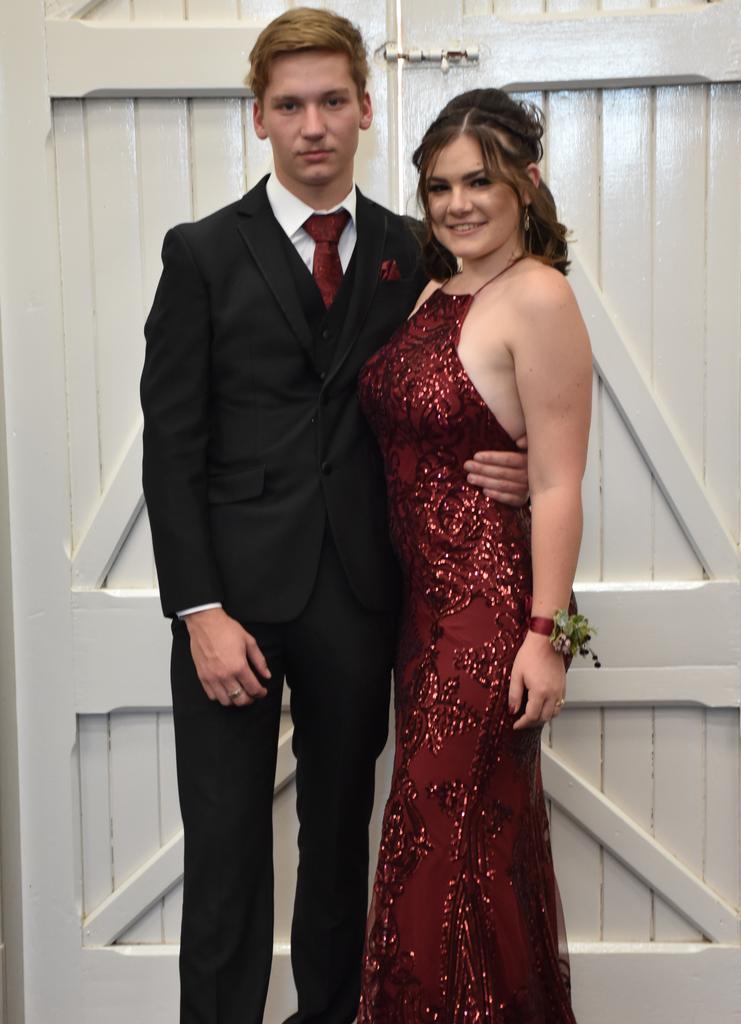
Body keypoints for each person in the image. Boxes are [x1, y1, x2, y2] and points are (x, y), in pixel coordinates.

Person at [140, 11, 530, 1024]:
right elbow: (170, 448)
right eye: (289, 105)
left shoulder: (416, 250)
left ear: (364, 106)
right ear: (260, 117)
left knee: (338, 838)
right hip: (232, 607)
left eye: (331, 101)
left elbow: (479, 372)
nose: (312, 124)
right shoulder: (201, 255)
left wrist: (515, 465)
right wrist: (197, 610)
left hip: (361, 595)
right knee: (225, 847)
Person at [357, 88, 592, 1022]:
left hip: (490, 619)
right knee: (451, 846)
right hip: (427, 619)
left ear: (526, 185)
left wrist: (549, 633)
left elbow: (562, 482)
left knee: (447, 852)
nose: (456, 203)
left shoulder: (535, 292)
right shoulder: (435, 288)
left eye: (479, 182)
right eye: (438, 186)